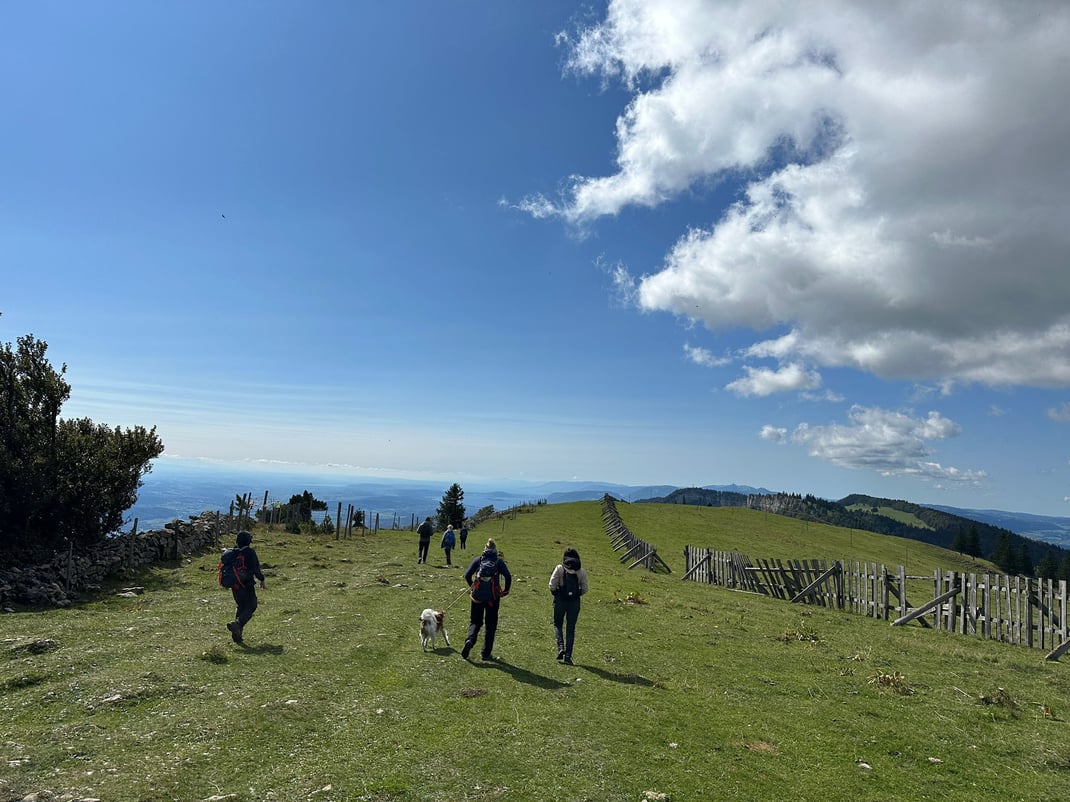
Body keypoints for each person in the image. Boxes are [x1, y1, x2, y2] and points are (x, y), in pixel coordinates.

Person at [461, 538, 512, 661]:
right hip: (493, 598)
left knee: (475, 622)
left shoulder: (478, 560)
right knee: (491, 626)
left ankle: (470, 640)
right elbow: (508, 576)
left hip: (477, 597)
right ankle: (485, 654)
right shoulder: (499, 562)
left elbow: (467, 575)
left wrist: (472, 587)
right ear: (495, 550)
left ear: (485, 549)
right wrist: (505, 591)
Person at [548, 547, 588, 665]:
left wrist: (556, 593)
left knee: (557, 624)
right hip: (574, 603)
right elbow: (585, 589)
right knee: (571, 628)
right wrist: (576, 594)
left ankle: (561, 647)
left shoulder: (560, 568)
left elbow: (551, 585)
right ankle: (568, 657)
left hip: (560, 600)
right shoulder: (581, 571)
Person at [226, 530, 265, 645]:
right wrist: (261, 579)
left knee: (241, 606)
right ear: (248, 542)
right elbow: (256, 569)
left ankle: (238, 635)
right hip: (246, 584)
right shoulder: (249, 552)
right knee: (252, 605)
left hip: (235, 585)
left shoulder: (233, 552)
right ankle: (237, 625)